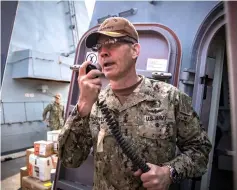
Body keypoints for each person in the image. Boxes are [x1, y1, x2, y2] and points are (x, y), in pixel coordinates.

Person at [58, 17, 212, 190]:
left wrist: (169, 172)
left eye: (112, 43)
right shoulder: (93, 102)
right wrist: (84, 104)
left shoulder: (171, 97)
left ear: (135, 50)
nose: (103, 52)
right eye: (99, 47)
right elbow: (70, 160)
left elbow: (200, 150)